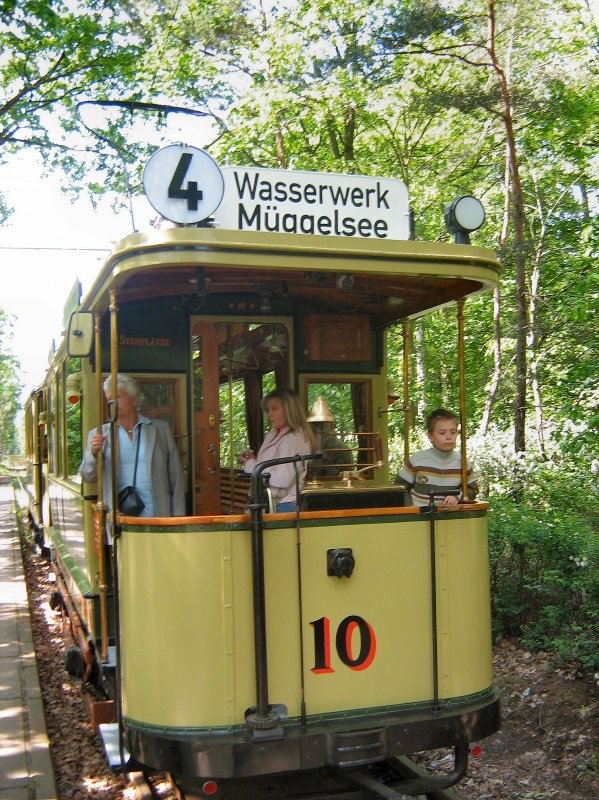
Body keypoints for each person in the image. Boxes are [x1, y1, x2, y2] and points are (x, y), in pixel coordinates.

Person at [80, 374, 185, 517]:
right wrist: (93, 453)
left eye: (118, 397)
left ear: (134, 400)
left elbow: (176, 476)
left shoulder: (160, 429)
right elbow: (88, 477)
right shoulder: (99, 434)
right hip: (120, 517)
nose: (113, 403)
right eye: (109, 399)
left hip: (159, 515)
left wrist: (178, 517)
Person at [239, 388, 315, 512]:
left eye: (274, 409)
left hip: (283, 506)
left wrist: (251, 465)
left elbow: (282, 479)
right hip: (271, 503)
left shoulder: (293, 439)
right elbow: (272, 467)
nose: (269, 414)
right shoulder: (274, 434)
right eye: (268, 410)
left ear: (289, 410)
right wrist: (254, 461)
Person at [397, 408, 477, 507]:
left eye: (453, 432)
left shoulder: (463, 463)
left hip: (450, 515)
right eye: (442, 433)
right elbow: (399, 488)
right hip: (418, 515)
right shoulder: (417, 460)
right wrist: (411, 507)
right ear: (430, 436)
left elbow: (472, 489)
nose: (448, 437)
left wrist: (457, 496)